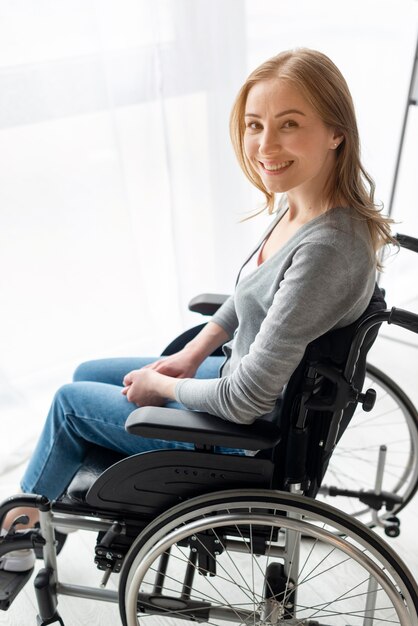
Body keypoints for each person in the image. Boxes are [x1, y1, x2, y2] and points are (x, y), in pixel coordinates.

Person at [0, 47, 393, 571]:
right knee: (86, 372)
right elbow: (250, 293)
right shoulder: (304, 203)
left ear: (336, 131)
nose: (264, 145)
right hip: (252, 385)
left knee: (70, 403)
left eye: (289, 124)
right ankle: (48, 517)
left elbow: (244, 400)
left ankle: (16, 544)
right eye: (255, 125)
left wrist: (161, 388)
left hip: (248, 435)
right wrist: (190, 354)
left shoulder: (325, 248)